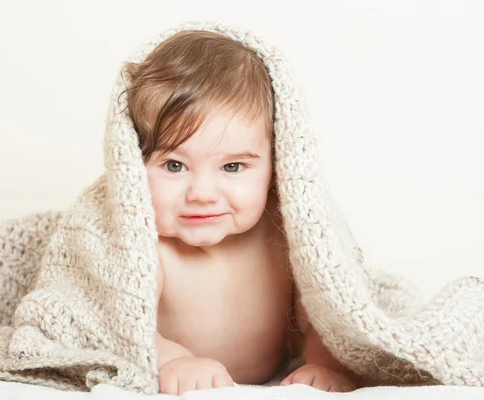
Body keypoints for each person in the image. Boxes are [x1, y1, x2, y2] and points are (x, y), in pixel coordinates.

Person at [123, 29, 358, 395]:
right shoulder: (143, 248)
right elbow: (120, 325)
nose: (202, 194)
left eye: (232, 167)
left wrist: (322, 363)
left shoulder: (288, 238)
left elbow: (328, 319)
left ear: (277, 168)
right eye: (173, 165)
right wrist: (174, 361)